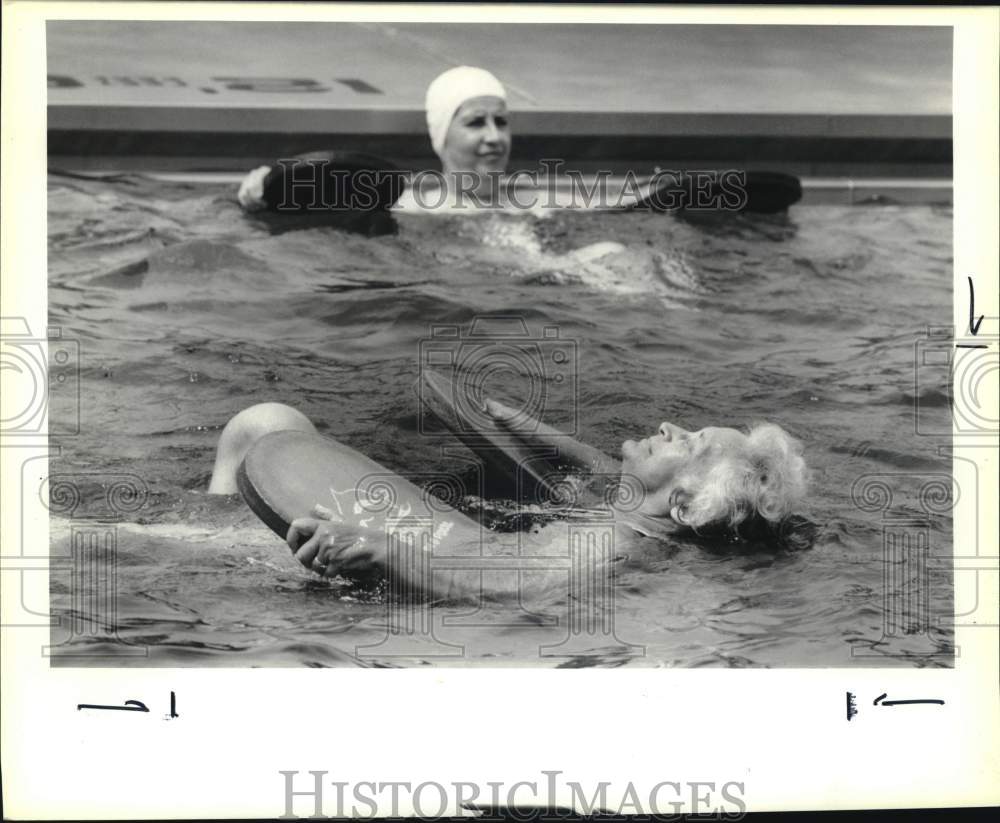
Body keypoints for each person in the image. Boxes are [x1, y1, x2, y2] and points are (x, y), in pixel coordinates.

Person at [207, 398, 809, 596]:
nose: (673, 428)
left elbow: (500, 588)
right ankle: (215, 520)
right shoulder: (639, 513)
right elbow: (606, 471)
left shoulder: (606, 550)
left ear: (683, 504)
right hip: (441, 543)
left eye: (692, 443)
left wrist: (375, 548)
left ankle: (190, 537)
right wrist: (516, 426)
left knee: (264, 422)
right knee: (261, 428)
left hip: (409, 566)